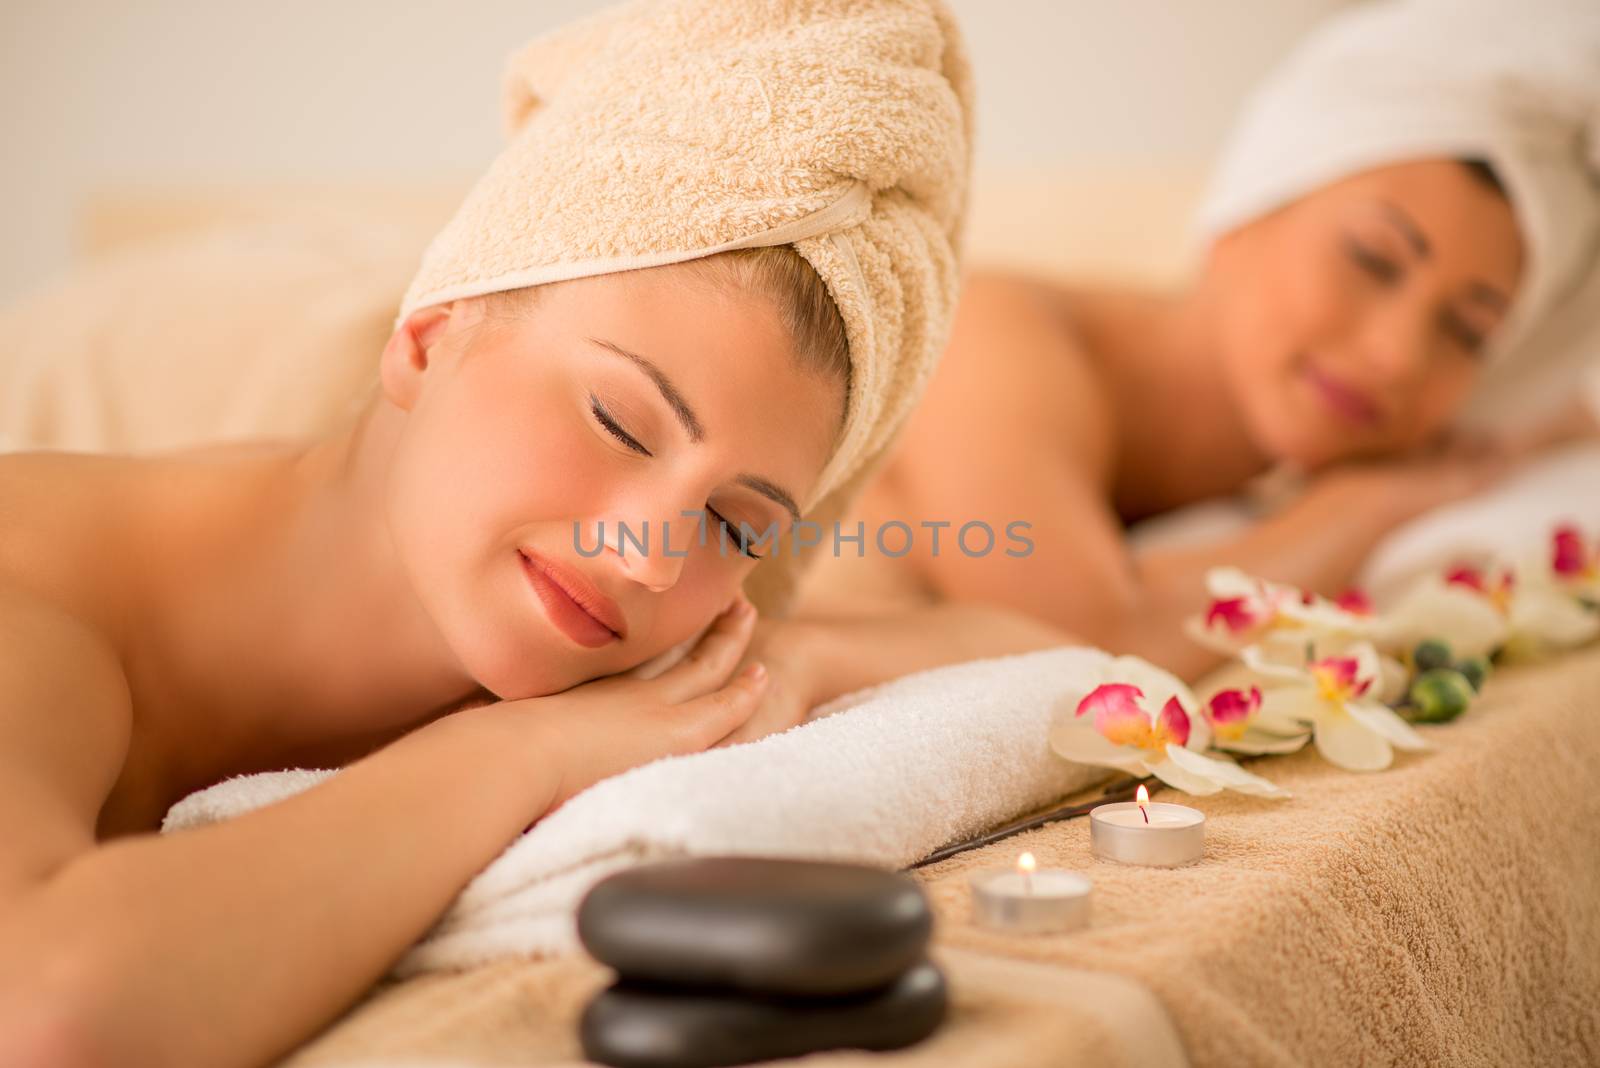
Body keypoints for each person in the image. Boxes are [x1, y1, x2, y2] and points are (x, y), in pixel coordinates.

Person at [0, 1, 980, 1064]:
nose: (651, 555)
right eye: (618, 421)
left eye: (733, 524)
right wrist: (511, 756)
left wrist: (781, 664)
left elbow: (1002, 642)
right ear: (426, 340)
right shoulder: (34, 586)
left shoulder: (618, 648)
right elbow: (49, 1011)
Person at [794, 0, 1600, 683]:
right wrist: (1368, 505)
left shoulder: (1283, 461)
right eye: (1373, 258)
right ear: (1248, 200)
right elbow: (1095, 637)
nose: (1398, 354)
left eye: (1468, 330)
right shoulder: (994, 336)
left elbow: (1553, 414)